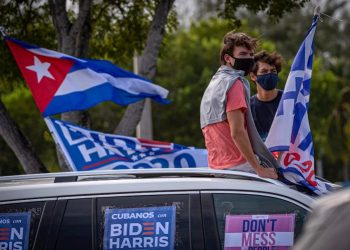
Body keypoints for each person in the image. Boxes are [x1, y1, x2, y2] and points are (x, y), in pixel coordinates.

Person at [200, 32, 277, 179]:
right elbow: (237, 132)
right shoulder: (234, 83)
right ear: (228, 58)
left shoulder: (213, 85)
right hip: (241, 167)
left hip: (218, 167)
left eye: (250, 54)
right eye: (242, 54)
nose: (248, 58)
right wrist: (258, 168)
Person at [249, 51, 283, 141]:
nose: (270, 74)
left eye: (273, 71)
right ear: (253, 76)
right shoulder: (248, 107)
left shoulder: (288, 100)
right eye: (264, 71)